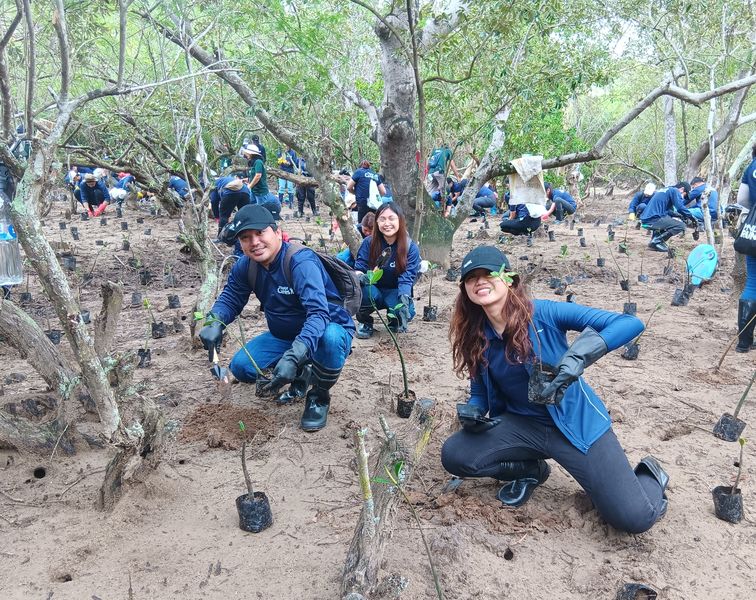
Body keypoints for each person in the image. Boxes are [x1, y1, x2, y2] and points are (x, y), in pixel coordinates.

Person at [441, 245, 669, 534]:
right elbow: (479, 392)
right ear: (465, 289)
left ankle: (649, 473)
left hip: (576, 426)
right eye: (471, 277)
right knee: (456, 454)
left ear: (509, 279)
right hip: (522, 426)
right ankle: (531, 471)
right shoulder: (476, 334)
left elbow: (629, 323)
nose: (480, 281)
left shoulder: (544, 313)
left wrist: (579, 355)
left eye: (489, 273)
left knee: (634, 518)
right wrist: (474, 409)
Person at [199, 204, 355, 431]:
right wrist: (215, 321)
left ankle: (319, 396)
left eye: (260, 233)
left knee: (330, 338)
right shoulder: (246, 266)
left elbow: (319, 314)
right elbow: (231, 298)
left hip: (324, 329)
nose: (254, 242)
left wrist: (294, 355)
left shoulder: (300, 262)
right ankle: (303, 371)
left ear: (276, 231)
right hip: (285, 336)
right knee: (242, 367)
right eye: (245, 237)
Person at [354, 202, 420, 339]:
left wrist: (404, 298)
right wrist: (361, 277)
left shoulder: (410, 247)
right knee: (364, 293)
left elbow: (407, 277)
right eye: (382, 219)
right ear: (377, 222)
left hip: (395, 290)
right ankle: (365, 322)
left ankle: (394, 319)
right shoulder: (368, 243)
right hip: (373, 289)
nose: (387, 223)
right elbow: (358, 268)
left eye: (391, 218)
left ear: (400, 220)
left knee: (408, 310)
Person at [735, 145, 756, 352]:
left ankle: (743, 342)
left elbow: (742, 199)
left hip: (753, 232)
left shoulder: (752, 166)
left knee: (753, 284)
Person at [640, 182, 696, 252]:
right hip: (654, 219)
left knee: (667, 219)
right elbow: (680, 207)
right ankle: (657, 241)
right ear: (682, 189)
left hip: (647, 219)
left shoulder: (665, 190)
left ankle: (654, 241)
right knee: (681, 226)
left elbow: (666, 211)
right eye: (684, 195)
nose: (683, 197)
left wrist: (678, 215)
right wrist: (692, 217)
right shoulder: (674, 190)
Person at [243, 144, 281, 219]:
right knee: (251, 205)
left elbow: (258, 175)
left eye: (247, 153)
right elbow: (253, 176)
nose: (246, 155)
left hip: (260, 191)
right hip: (254, 191)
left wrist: (249, 186)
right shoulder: (253, 162)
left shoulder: (258, 162)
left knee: (260, 208)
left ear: (251, 153)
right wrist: (245, 180)